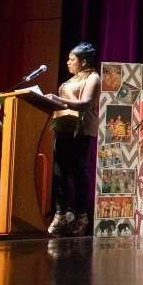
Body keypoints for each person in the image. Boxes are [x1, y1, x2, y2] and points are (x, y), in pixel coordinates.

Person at [47, 41, 101, 236]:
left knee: (79, 172)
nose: (68, 62)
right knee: (59, 172)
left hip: (81, 131)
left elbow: (85, 104)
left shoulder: (93, 77)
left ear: (84, 61)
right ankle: (61, 214)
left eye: (72, 59)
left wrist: (58, 100)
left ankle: (81, 216)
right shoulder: (71, 80)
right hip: (64, 128)